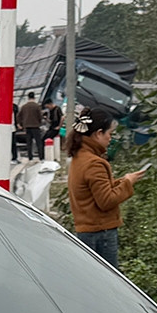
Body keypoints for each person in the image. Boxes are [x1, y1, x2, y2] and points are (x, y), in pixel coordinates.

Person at [66, 108, 145, 268]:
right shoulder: (94, 163)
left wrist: (124, 181)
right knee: (106, 278)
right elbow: (106, 201)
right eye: (110, 133)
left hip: (89, 231)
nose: (111, 138)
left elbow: (96, 192)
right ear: (98, 134)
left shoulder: (81, 156)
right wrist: (127, 183)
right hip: (100, 233)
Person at [17, 93, 44, 160]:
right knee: (38, 142)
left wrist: (20, 124)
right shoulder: (37, 106)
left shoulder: (24, 106)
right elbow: (40, 116)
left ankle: (30, 157)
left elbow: (19, 116)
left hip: (27, 127)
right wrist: (39, 122)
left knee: (29, 143)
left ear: (28, 98)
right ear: (34, 97)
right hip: (35, 126)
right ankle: (41, 157)